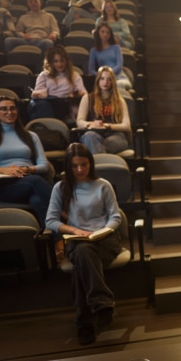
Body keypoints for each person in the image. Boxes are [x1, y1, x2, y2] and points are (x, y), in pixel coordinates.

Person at [45, 143, 121, 345]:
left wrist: (103, 231)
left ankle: (85, 323)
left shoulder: (103, 185)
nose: (79, 170)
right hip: (77, 239)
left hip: (105, 239)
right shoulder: (60, 188)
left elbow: (115, 217)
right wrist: (75, 231)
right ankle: (102, 305)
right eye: (74, 166)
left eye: (84, 165)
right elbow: (51, 221)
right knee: (83, 252)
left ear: (91, 164)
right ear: (68, 167)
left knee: (82, 259)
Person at [0, 96, 52, 227]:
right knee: (36, 181)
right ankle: (65, 215)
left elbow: (44, 165)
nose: (9, 112)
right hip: (5, 186)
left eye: (12, 108)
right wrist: (3, 170)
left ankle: (53, 240)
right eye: (3, 109)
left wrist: (26, 169)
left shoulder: (31, 135)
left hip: (30, 179)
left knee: (36, 200)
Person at [76, 66, 131, 155]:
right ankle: (102, 162)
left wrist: (107, 126)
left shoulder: (120, 101)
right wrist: (91, 124)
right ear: (98, 80)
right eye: (102, 78)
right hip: (94, 133)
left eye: (109, 79)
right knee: (89, 136)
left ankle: (96, 162)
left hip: (115, 135)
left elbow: (126, 125)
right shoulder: (87, 98)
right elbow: (79, 121)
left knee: (94, 145)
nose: (105, 82)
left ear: (113, 82)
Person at [29, 45, 87, 122]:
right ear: (51, 63)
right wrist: (39, 94)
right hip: (49, 104)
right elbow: (38, 93)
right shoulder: (44, 75)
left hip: (65, 104)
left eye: (62, 61)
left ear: (66, 61)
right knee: (41, 105)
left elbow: (84, 94)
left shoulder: (74, 75)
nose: (60, 64)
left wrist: (76, 94)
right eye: (56, 61)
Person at [89, 22, 132, 90]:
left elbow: (119, 66)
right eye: (102, 32)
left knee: (117, 86)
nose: (105, 34)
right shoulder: (94, 50)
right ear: (98, 33)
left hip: (120, 77)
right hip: (104, 80)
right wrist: (102, 76)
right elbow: (91, 70)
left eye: (107, 32)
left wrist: (109, 74)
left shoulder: (116, 47)